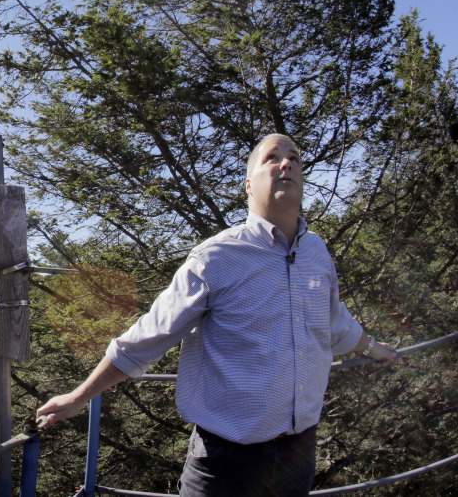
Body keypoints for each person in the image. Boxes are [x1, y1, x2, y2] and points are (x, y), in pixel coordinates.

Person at [37, 134, 399, 497]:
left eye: (294, 158)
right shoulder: (217, 257)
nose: (286, 163)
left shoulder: (316, 252)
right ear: (248, 183)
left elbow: (334, 322)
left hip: (298, 454)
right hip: (226, 464)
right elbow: (150, 336)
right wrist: (80, 396)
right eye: (271, 157)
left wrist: (372, 347)